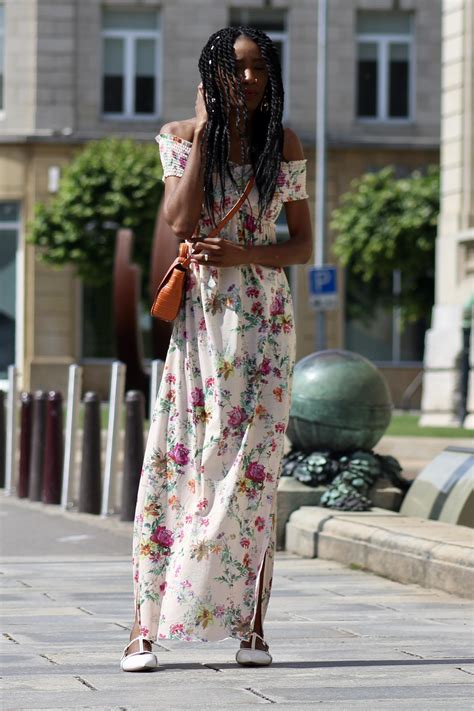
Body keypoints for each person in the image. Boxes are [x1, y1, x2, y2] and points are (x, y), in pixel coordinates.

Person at [120, 25, 312, 672]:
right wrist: (204, 134)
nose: (251, 79)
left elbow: (302, 246)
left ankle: (252, 627)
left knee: (254, 475)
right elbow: (179, 218)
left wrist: (246, 255)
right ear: (213, 73)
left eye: (261, 68)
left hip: (264, 322)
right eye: (238, 68)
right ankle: (142, 628)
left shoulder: (282, 144)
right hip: (201, 322)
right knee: (177, 464)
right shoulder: (180, 136)